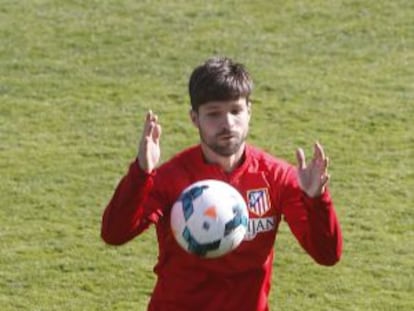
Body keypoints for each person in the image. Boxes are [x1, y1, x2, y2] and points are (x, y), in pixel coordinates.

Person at [101, 56, 343, 311]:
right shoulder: (171, 178)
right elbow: (114, 234)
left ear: (250, 111)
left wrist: (317, 200)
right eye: (214, 114)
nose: (227, 124)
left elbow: (327, 255)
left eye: (236, 111)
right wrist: (141, 173)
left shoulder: (276, 177)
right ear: (195, 118)